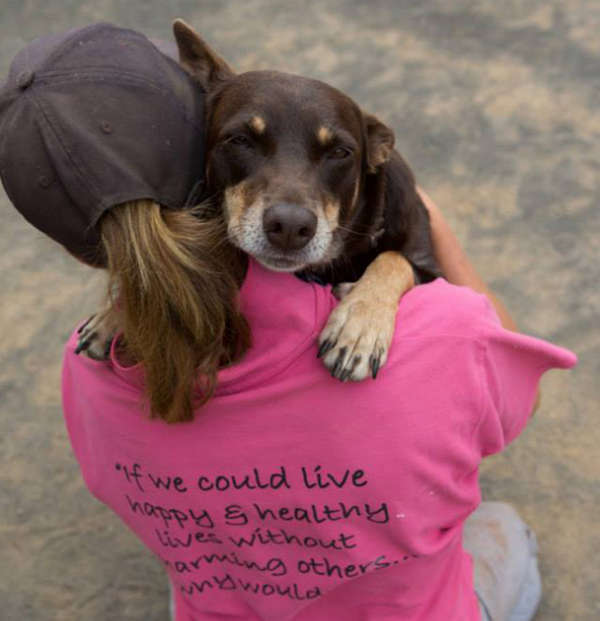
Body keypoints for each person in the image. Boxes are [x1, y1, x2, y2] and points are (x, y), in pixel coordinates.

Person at [0, 23, 576, 621]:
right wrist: (424, 235)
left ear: (74, 247)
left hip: (228, 598)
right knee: (499, 525)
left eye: (334, 156)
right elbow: (522, 400)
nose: (291, 215)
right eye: (243, 145)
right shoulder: (448, 336)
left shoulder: (85, 369)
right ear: (199, 156)